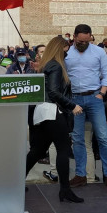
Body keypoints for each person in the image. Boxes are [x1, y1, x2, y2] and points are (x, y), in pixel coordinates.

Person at [26, 36, 84, 203]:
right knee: (64, 149)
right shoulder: (56, 66)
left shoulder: (49, 64)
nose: (69, 52)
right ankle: (65, 190)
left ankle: (14, 181)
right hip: (52, 111)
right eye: (67, 48)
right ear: (61, 48)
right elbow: (53, 92)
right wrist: (72, 105)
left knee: (37, 151)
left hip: (42, 111)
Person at [65, 24, 107, 192]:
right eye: (80, 41)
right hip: (75, 99)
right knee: (78, 138)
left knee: (102, 137)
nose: (83, 44)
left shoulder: (98, 52)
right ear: (74, 37)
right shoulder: (66, 53)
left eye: (86, 41)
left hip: (94, 97)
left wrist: (102, 93)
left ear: (91, 38)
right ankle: (81, 174)